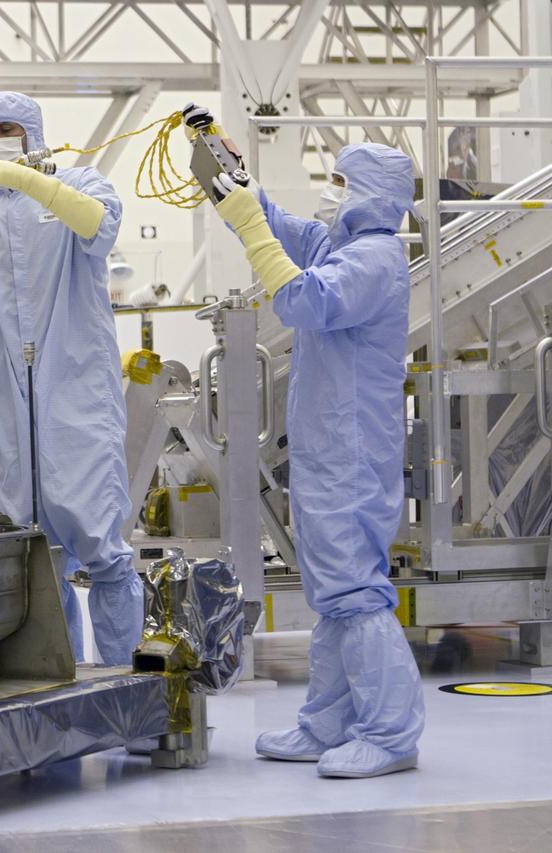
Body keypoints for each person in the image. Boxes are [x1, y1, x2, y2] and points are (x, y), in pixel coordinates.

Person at [186, 105, 426, 778]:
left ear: (371, 195)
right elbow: (279, 227)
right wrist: (230, 173)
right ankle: (329, 723)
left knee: (355, 591)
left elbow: (302, 302)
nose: (331, 193)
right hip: (327, 449)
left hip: (353, 452)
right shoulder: (338, 245)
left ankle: (391, 733)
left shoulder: (375, 259)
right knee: (332, 595)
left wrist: (250, 225)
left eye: (341, 183)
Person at [0, 91, 144, 665]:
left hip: (75, 392)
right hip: (10, 401)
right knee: (34, 555)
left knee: (101, 543)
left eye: (8, 129)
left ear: (33, 132)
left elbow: (99, 226)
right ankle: (55, 676)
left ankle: (126, 677)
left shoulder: (81, 185)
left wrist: (28, 181)